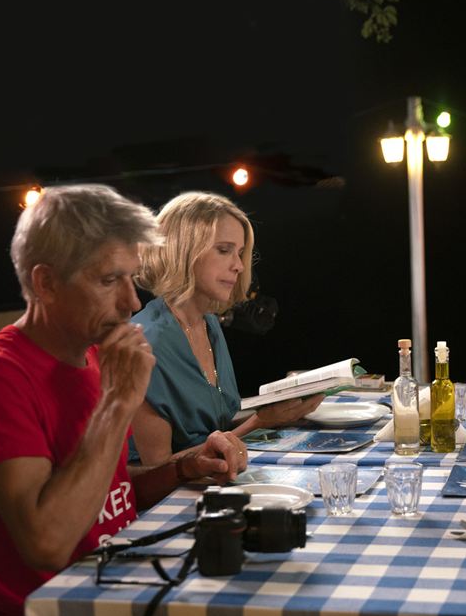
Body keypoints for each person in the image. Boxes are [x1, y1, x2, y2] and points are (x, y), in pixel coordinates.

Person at [0, 185, 249, 616]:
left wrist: (182, 467)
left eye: (132, 279)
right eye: (109, 281)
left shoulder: (89, 355)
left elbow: (99, 490)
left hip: (105, 594)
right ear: (45, 283)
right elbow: (46, 542)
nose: (132, 302)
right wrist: (116, 404)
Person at [129, 191, 323, 466]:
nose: (238, 265)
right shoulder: (146, 342)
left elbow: (215, 427)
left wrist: (277, 411)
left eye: (240, 253)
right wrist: (259, 421)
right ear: (183, 250)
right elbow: (157, 472)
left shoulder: (209, 323)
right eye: (224, 250)